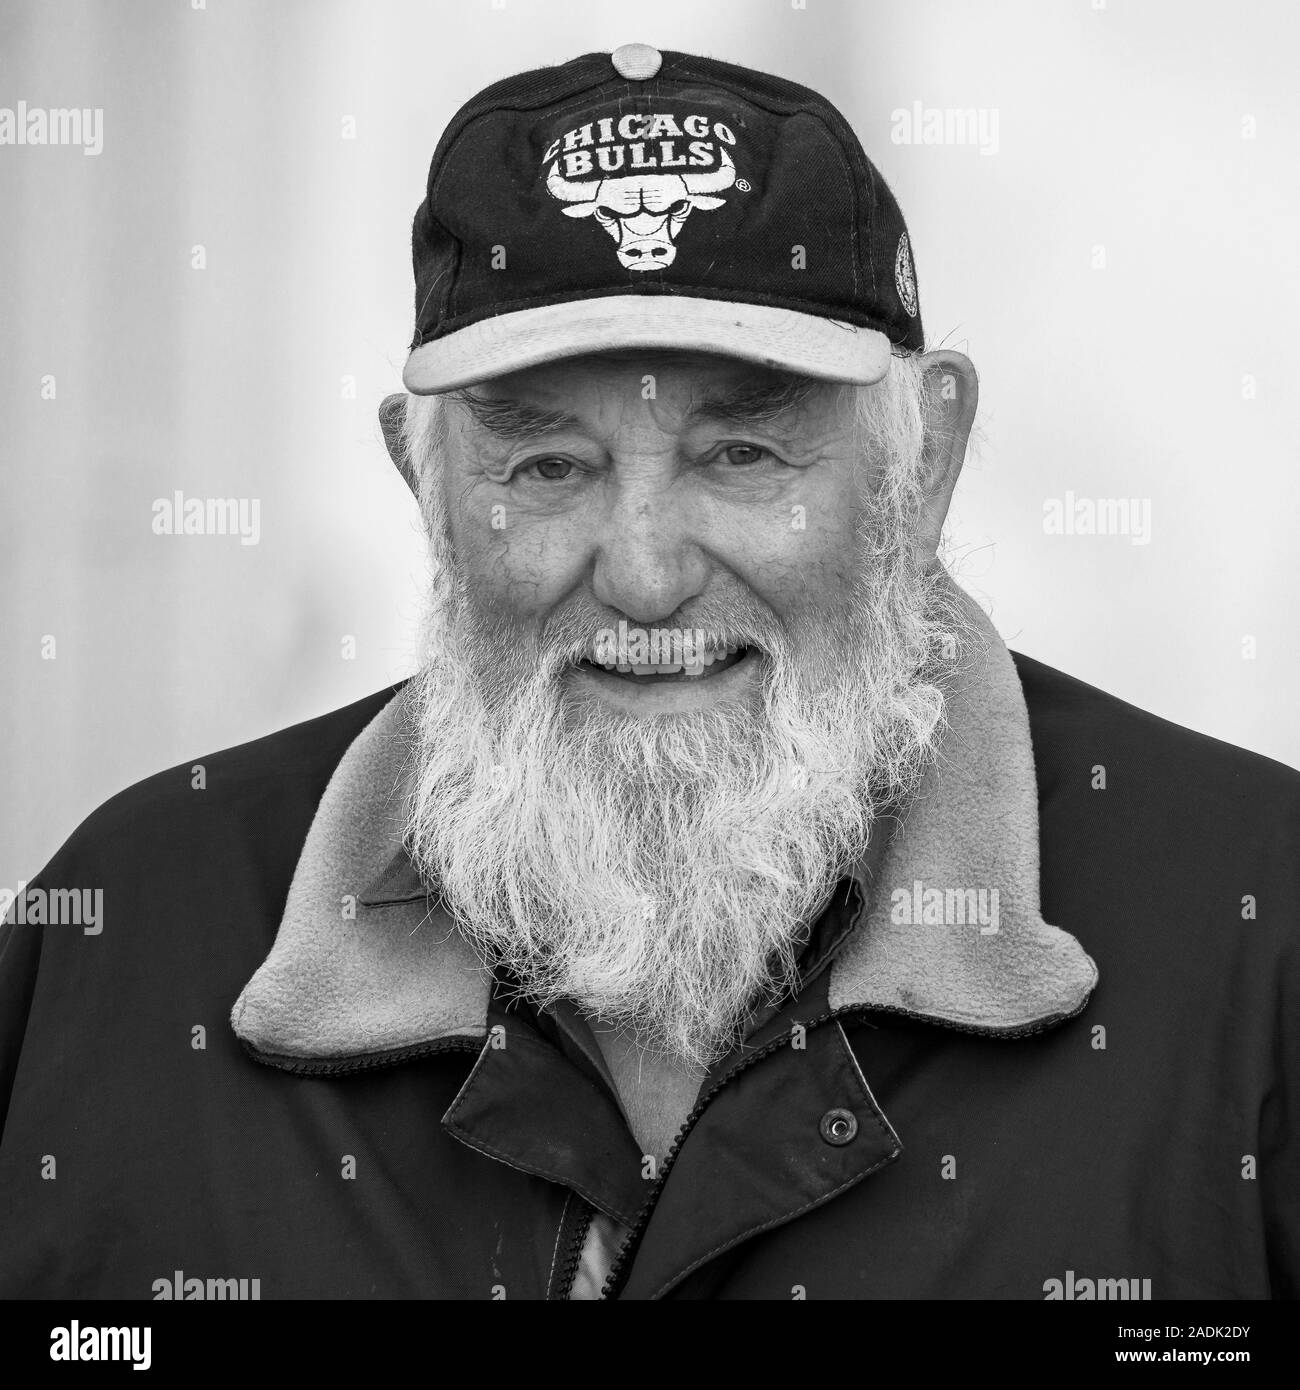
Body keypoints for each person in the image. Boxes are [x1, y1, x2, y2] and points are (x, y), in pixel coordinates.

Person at [1, 43, 1296, 1302]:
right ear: (427, 482)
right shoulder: (116, 952)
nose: (644, 572)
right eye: (548, 466)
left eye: (743, 454)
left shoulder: (1257, 938)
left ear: (928, 463)